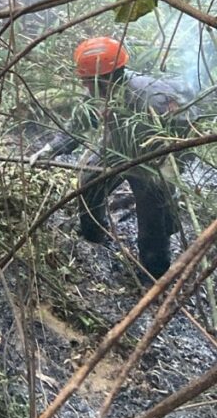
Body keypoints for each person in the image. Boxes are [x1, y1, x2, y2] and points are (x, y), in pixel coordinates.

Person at [33, 36, 192, 278]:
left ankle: (154, 276)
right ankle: (94, 236)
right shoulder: (101, 91)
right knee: (88, 184)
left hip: (152, 163)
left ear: (104, 77)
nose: (86, 86)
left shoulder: (151, 97)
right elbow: (80, 124)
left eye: (88, 81)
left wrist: (171, 174)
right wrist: (49, 150)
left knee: (154, 224)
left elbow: (185, 131)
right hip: (116, 148)